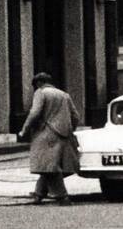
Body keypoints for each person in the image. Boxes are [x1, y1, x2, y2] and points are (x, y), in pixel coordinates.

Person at [18, 72, 81, 205]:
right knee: (50, 166)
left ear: (39, 83)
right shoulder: (64, 94)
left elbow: (34, 113)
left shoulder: (41, 93)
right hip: (64, 135)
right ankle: (39, 194)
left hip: (46, 133)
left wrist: (24, 130)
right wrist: (69, 129)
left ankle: (63, 197)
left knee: (50, 168)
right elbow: (76, 116)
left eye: (35, 86)